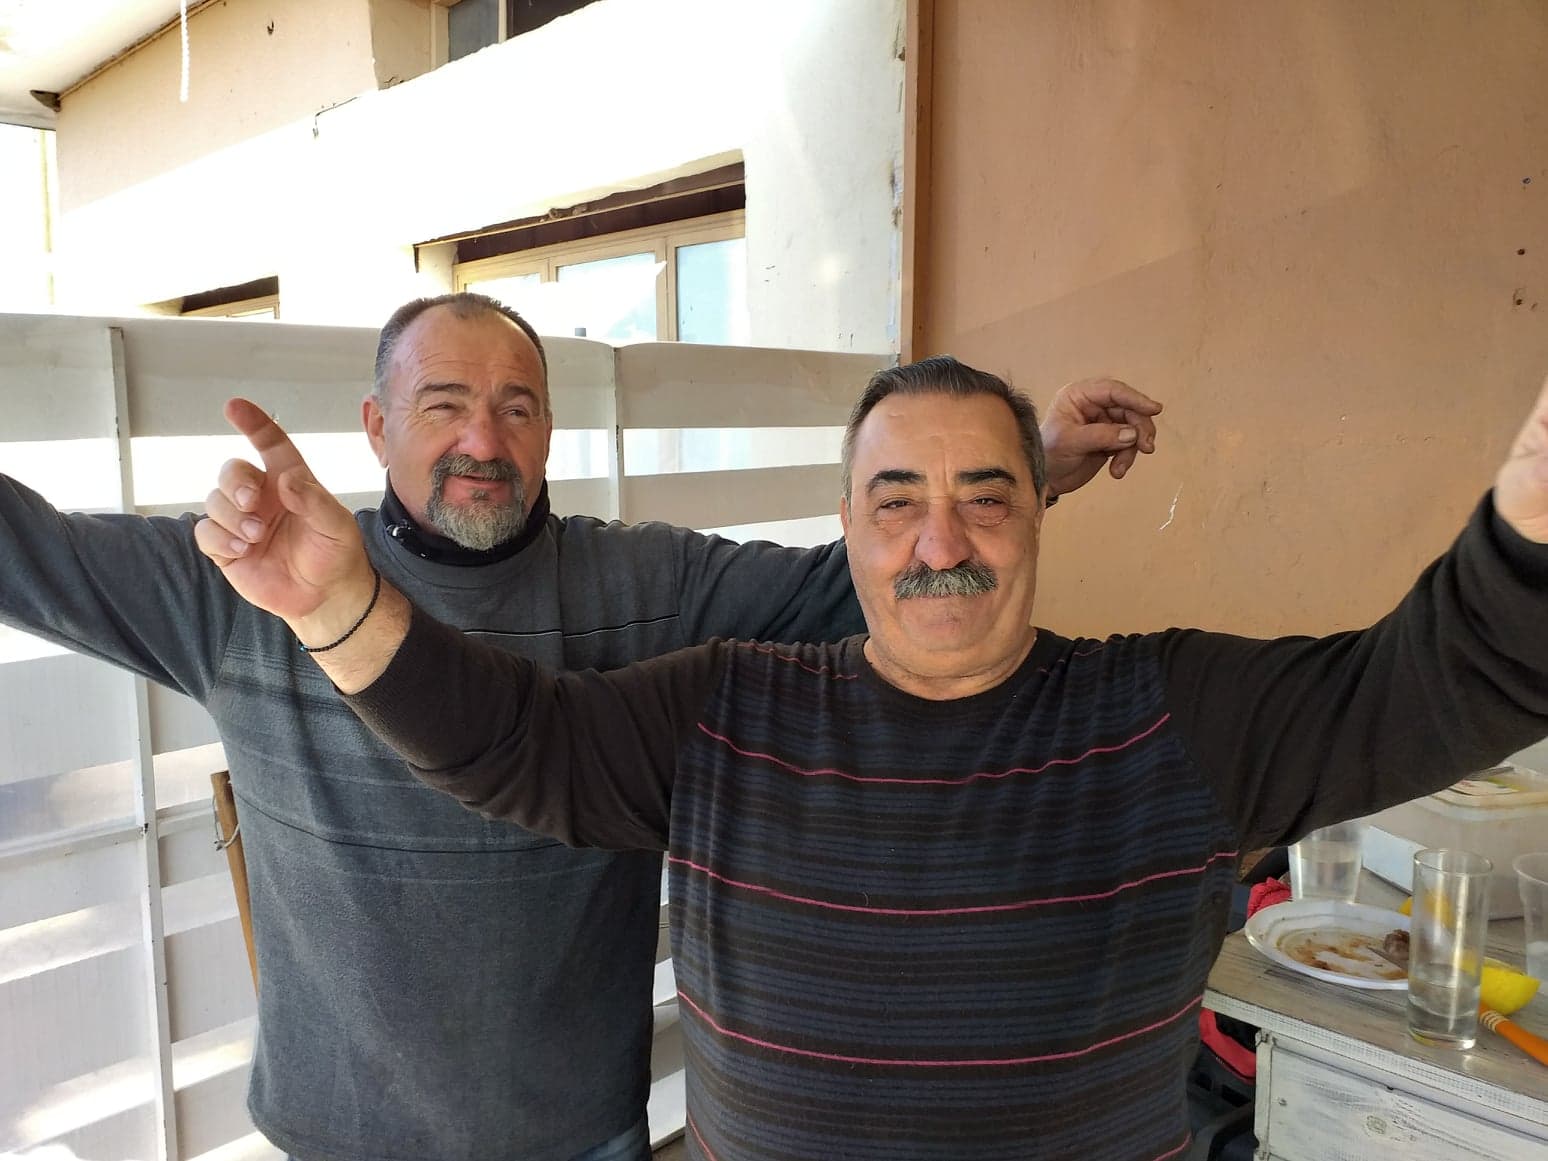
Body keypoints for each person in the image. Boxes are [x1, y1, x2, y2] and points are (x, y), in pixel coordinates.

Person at [197, 353, 1548, 1160]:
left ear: (1038, 516)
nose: (938, 543)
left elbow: (1432, 686)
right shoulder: (725, 710)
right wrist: (340, 606)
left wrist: (1531, 525)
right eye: (896, 502)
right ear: (845, 529)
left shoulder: (1174, 712)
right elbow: (513, 744)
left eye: (984, 497)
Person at [0, 294, 1160, 1161]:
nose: (483, 440)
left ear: (551, 429)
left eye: (516, 408)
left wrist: (1034, 472)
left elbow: (861, 574)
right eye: (443, 405)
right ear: (375, 424)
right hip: (338, 1131)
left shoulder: (645, 584)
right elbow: (28, 551)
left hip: (578, 1132)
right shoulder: (248, 579)